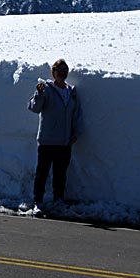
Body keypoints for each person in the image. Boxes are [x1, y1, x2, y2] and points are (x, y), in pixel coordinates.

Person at [27, 58, 82, 217]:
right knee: (42, 173)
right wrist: (39, 93)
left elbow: (77, 114)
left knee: (60, 174)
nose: (63, 74)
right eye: (60, 71)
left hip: (64, 142)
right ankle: (38, 202)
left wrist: (75, 133)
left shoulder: (71, 92)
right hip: (47, 140)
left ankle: (59, 200)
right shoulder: (46, 89)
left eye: (65, 71)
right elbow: (34, 108)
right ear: (54, 73)